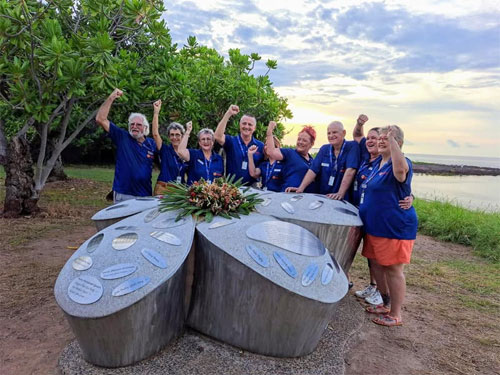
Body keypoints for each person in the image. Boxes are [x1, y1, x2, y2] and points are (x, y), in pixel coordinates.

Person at [359, 125, 418, 327]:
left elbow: (401, 174)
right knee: (376, 264)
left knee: (393, 269)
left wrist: (393, 144)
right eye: (382, 137)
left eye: (389, 138)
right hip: (375, 227)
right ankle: (384, 303)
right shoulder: (378, 164)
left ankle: (395, 314)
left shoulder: (400, 162)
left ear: (398, 143)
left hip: (394, 228)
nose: (383, 140)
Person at [95, 88, 156, 203]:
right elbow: (100, 119)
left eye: (138, 124)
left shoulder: (151, 144)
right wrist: (111, 97)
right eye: (132, 124)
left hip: (144, 195)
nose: (134, 126)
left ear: (145, 128)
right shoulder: (122, 137)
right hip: (123, 194)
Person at [285, 121, 359, 202]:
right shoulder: (324, 149)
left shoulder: (352, 146)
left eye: (334, 132)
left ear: (344, 133)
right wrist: (300, 188)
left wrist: (340, 193)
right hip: (324, 198)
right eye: (329, 133)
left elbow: (350, 170)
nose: (331, 136)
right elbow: (313, 170)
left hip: (342, 200)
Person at [214, 104, 264, 185]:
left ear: (254, 128)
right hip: (232, 187)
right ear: (239, 125)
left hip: (253, 188)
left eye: (250, 124)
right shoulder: (231, 141)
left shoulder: (260, 146)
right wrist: (228, 114)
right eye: (244, 123)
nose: (246, 126)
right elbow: (217, 136)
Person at [265, 121, 318, 193]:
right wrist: (269, 132)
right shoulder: (289, 153)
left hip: (306, 199)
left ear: (312, 144)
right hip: (288, 195)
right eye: (299, 139)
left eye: (304, 140)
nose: (300, 142)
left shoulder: (313, 161)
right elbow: (271, 152)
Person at [151, 99, 188, 195]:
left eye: (177, 135)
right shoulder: (165, 150)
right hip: (163, 189)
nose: (174, 137)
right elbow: (155, 134)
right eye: (172, 135)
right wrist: (156, 113)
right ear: (169, 136)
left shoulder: (186, 154)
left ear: (182, 136)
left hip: (180, 191)